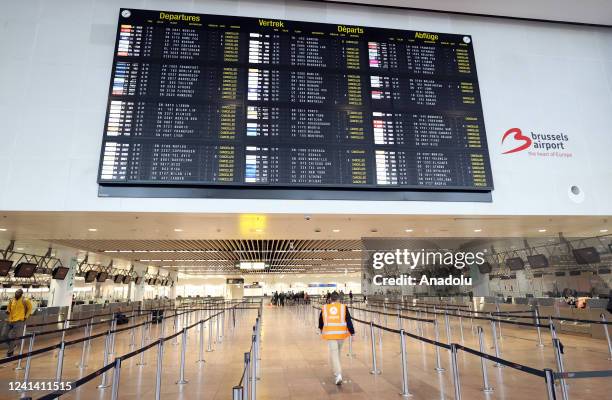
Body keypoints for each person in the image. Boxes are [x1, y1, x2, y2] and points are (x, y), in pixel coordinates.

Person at [319, 292, 355, 385]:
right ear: (339, 299)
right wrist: (352, 333)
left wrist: (321, 330)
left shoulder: (325, 308)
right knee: (338, 352)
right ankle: (337, 371)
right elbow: (348, 320)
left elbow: (320, 321)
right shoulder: (343, 307)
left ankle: (338, 374)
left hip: (331, 335)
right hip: (341, 335)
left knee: (334, 354)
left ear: (330, 299)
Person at [4, 289, 33, 357]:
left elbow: (30, 308)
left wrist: (26, 316)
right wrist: (7, 311)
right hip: (10, 320)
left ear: (21, 294)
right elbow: (8, 307)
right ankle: (13, 346)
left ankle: (10, 352)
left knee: (13, 336)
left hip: (19, 320)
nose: (16, 293)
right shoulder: (11, 300)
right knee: (3, 335)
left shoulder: (25, 300)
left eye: (18, 293)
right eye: (16, 292)